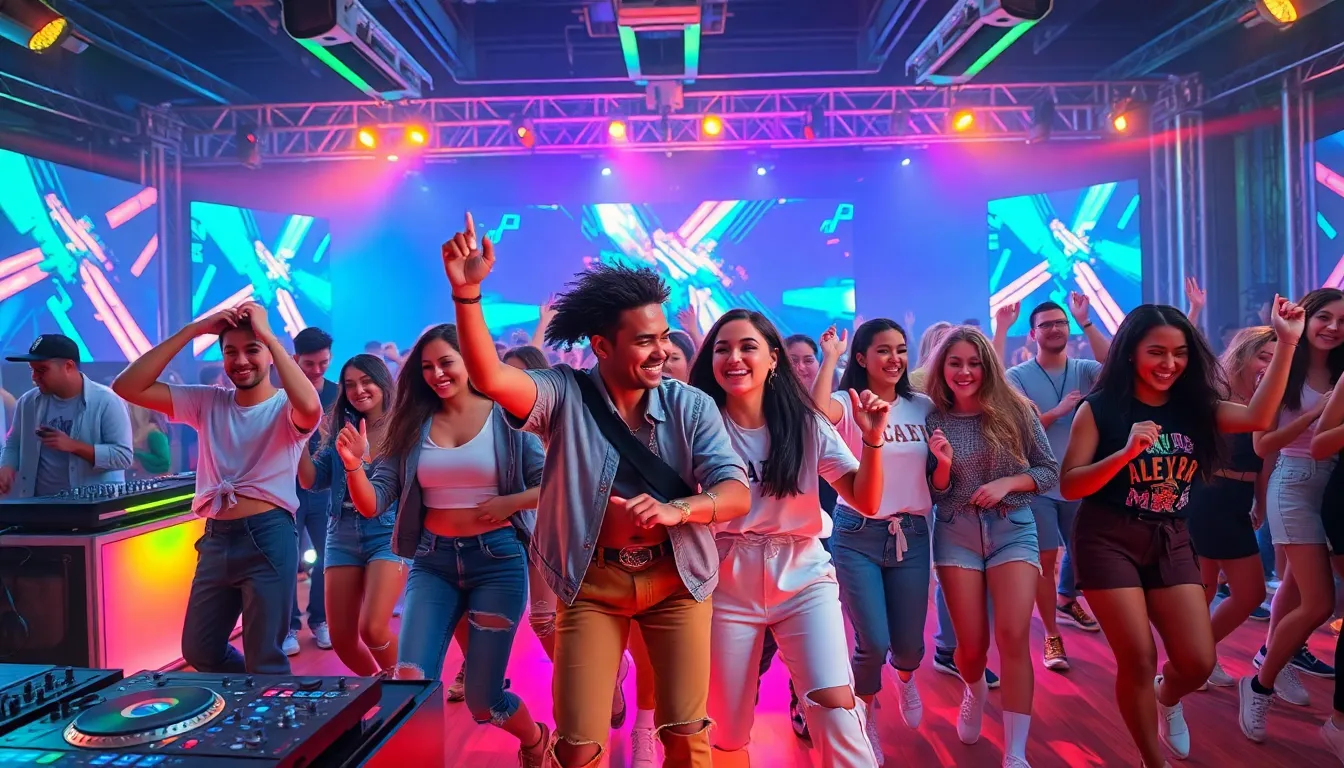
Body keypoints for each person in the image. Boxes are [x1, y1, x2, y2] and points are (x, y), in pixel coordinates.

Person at [441, 213, 751, 768]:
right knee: (579, 744)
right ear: (602, 346)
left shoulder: (691, 405)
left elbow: (734, 493)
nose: (660, 351)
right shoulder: (562, 393)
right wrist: (468, 296)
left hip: (675, 579)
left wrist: (677, 509)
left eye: (664, 339)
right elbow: (490, 379)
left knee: (685, 734)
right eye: (644, 341)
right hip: (590, 583)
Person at [1059, 300, 1302, 766]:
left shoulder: (1196, 407)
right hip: (1107, 537)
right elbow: (1072, 485)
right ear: (1131, 352)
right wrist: (1125, 454)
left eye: (1180, 353)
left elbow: (1258, 417)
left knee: (1197, 662)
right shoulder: (1101, 409)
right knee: (1138, 656)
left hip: (1171, 536)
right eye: (1157, 352)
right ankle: (1154, 759)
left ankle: (1166, 695)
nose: (1169, 364)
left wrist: (1288, 341)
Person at [343, 325, 550, 766]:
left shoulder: (507, 416)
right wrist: (353, 466)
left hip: (497, 562)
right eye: (427, 367)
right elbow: (373, 502)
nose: (437, 373)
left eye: (446, 362)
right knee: (410, 682)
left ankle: (533, 738)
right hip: (432, 564)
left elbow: (551, 482)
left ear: (469, 362)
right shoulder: (413, 424)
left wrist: (508, 503)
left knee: (484, 701)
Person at [689, 309, 887, 766]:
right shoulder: (698, 425)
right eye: (723, 348)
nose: (734, 358)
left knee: (836, 709)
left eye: (747, 347)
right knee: (726, 728)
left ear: (773, 358)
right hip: (725, 581)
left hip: (803, 576)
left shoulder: (805, 422)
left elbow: (866, 499)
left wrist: (872, 441)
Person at [113, 303, 323, 674]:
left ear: (271, 356)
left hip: (269, 536)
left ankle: (267, 718)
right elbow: (127, 386)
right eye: (230, 352)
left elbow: (310, 406)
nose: (241, 360)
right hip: (216, 538)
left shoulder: (285, 408)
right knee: (200, 650)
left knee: (266, 660)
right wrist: (191, 331)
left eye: (252, 350)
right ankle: (253, 693)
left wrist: (270, 336)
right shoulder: (208, 401)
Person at [924, 325, 1058, 768]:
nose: (965, 372)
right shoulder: (932, 417)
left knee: (1014, 635)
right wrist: (942, 467)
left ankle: (1015, 751)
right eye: (956, 362)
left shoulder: (1016, 409)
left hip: (1012, 529)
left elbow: (1047, 471)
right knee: (972, 646)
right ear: (942, 367)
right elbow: (937, 493)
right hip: (956, 531)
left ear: (988, 366)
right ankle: (974, 688)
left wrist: (1005, 483)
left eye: (974, 363)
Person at [812, 318, 934, 753]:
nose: (895, 358)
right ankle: (867, 718)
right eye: (883, 350)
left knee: (908, 648)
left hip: (913, 534)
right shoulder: (849, 400)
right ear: (861, 358)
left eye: (901, 349)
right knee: (872, 642)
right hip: (857, 533)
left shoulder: (922, 405)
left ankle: (906, 678)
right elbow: (817, 413)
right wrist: (829, 359)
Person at [1243, 288, 1344, 741]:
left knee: (1294, 587)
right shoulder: (1286, 369)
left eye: (1343, 321)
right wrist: (1315, 416)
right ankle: (1258, 686)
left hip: (1335, 485)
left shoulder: (1341, 371)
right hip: (1296, 484)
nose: (1333, 328)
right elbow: (1261, 445)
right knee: (1320, 603)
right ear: (1307, 318)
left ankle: (1273, 656)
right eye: (1325, 317)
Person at [1005, 300, 1106, 674]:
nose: (1055, 329)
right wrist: (1059, 411)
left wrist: (1088, 321)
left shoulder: (1084, 369)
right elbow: (1020, 433)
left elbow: (1114, 368)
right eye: (1046, 325)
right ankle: (1051, 634)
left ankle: (1067, 600)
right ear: (1033, 334)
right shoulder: (1017, 376)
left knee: (1086, 557)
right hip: (1040, 485)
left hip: (1081, 481)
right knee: (1046, 563)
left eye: (1061, 323)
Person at [297, 353, 406, 676]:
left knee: (373, 628)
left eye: (366, 381)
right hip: (340, 533)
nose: (359, 390)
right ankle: (383, 688)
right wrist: (298, 438)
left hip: (387, 533)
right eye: (350, 385)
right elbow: (312, 480)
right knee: (343, 640)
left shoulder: (404, 429)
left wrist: (362, 460)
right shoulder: (343, 430)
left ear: (383, 383)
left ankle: (413, 691)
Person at [1186, 328, 1276, 688]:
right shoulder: (1216, 396)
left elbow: (1265, 457)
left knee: (1224, 590)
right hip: (1209, 496)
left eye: (1275, 358)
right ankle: (1195, 660)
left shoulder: (1269, 399)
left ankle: (1197, 657)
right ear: (1242, 355)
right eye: (1263, 357)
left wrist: (1261, 501)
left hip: (1236, 501)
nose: (1268, 366)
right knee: (1218, 589)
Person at [0, 334, 133, 498]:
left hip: (93, 507)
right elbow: (13, 443)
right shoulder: (27, 402)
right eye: (32, 370)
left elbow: (123, 457)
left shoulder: (107, 401)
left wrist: (73, 446)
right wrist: (7, 467)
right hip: (39, 506)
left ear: (68, 366)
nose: (34, 377)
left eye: (41, 370)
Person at [288, 326, 340, 655]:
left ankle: (320, 619)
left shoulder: (339, 394)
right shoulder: (282, 392)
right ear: (295, 360)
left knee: (327, 558)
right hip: (285, 489)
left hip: (324, 490)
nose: (318, 370)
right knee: (286, 561)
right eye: (310, 364)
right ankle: (289, 625)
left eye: (323, 362)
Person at [129, 404, 171, 477]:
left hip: (156, 481)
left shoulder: (154, 433)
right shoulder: (137, 431)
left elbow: (164, 462)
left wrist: (138, 454)